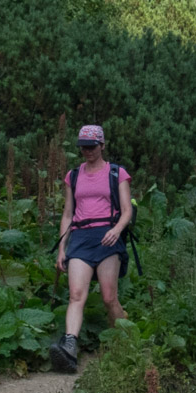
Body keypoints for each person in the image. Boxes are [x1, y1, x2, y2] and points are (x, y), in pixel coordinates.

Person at [51, 124, 133, 372]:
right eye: (83, 147)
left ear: (102, 146)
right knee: (76, 294)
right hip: (80, 238)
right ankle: (69, 348)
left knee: (109, 297)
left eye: (92, 146)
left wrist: (116, 230)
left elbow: (127, 210)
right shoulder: (73, 176)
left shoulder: (117, 173)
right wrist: (62, 248)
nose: (87, 151)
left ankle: (125, 344)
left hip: (108, 237)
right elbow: (68, 213)